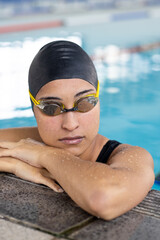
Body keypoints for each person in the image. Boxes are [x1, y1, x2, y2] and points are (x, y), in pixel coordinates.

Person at [0, 40, 154, 220]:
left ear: (98, 100)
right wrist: (15, 164)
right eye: (51, 107)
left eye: (85, 103)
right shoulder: (28, 142)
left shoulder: (131, 156)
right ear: (34, 110)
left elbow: (103, 198)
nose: (70, 124)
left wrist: (47, 155)